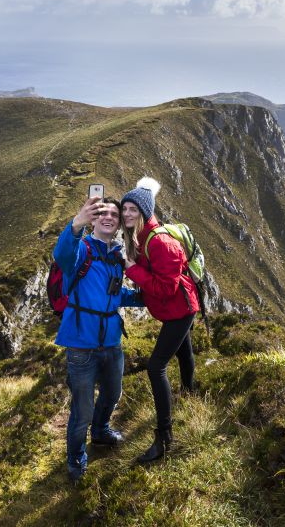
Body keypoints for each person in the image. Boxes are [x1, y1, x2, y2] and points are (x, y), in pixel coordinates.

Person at [53, 195, 143, 484]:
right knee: (82, 409)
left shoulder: (116, 256)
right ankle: (76, 458)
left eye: (114, 215)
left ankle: (101, 431)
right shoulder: (81, 250)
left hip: (112, 343)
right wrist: (77, 222)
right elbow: (61, 254)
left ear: (119, 223)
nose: (109, 218)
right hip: (81, 344)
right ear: (94, 218)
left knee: (113, 394)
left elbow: (117, 295)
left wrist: (147, 295)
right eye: (102, 213)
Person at [121, 177, 200, 463]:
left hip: (180, 310)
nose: (127, 214)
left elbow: (166, 288)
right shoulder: (142, 238)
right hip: (177, 309)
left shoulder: (161, 243)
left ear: (145, 212)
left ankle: (164, 437)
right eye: (124, 209)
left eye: (133, 209)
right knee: (184, 351)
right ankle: (192, 395)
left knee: (156, 367)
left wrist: (131, 270)